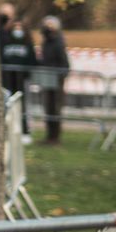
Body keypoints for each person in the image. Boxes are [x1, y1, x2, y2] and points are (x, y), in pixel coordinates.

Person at [0, 18, 37, 144]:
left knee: (22, 106)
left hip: (22, 80)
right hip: (8, 79)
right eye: (15, 27)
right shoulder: (5, 42)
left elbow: (32, 60)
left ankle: (24, 131)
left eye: (20, 27)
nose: (17, 30)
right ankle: (6, 131)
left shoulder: (27, 43)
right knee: (7, 104)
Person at [38, 15, 69, 144]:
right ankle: (49, 135)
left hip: (56, 79)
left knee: (55, 108)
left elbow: (64, 63)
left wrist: (59, 76)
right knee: (48, 108)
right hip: (47, 78)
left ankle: (55, 137)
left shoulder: (58, 42)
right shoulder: (46, 42)